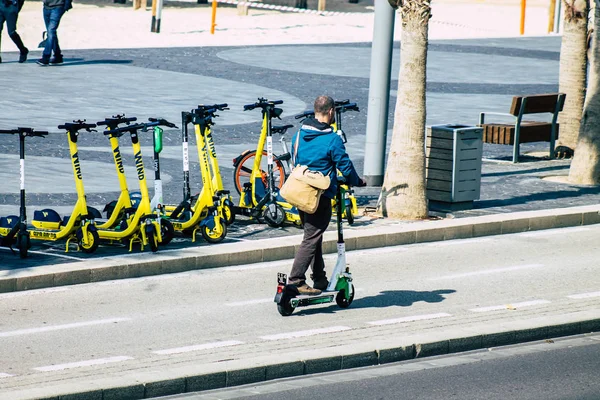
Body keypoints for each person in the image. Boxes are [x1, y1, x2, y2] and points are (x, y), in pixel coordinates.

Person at [288, 95, 366, 295]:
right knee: (311, 237)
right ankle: (296, 280)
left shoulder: (298, 136)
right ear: (331, 112)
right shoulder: (332, 139)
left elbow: (296, 161)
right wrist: (357, 181)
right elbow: (345, 167)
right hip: (319, 195)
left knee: (314, 235)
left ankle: (320, 278)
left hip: (300, 192)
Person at [37, 0, 71, 66]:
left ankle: (46, 57)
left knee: (51, 31)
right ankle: (58, 56)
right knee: (51, 33)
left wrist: (66, 5)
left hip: (58, 7)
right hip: (46, 7)